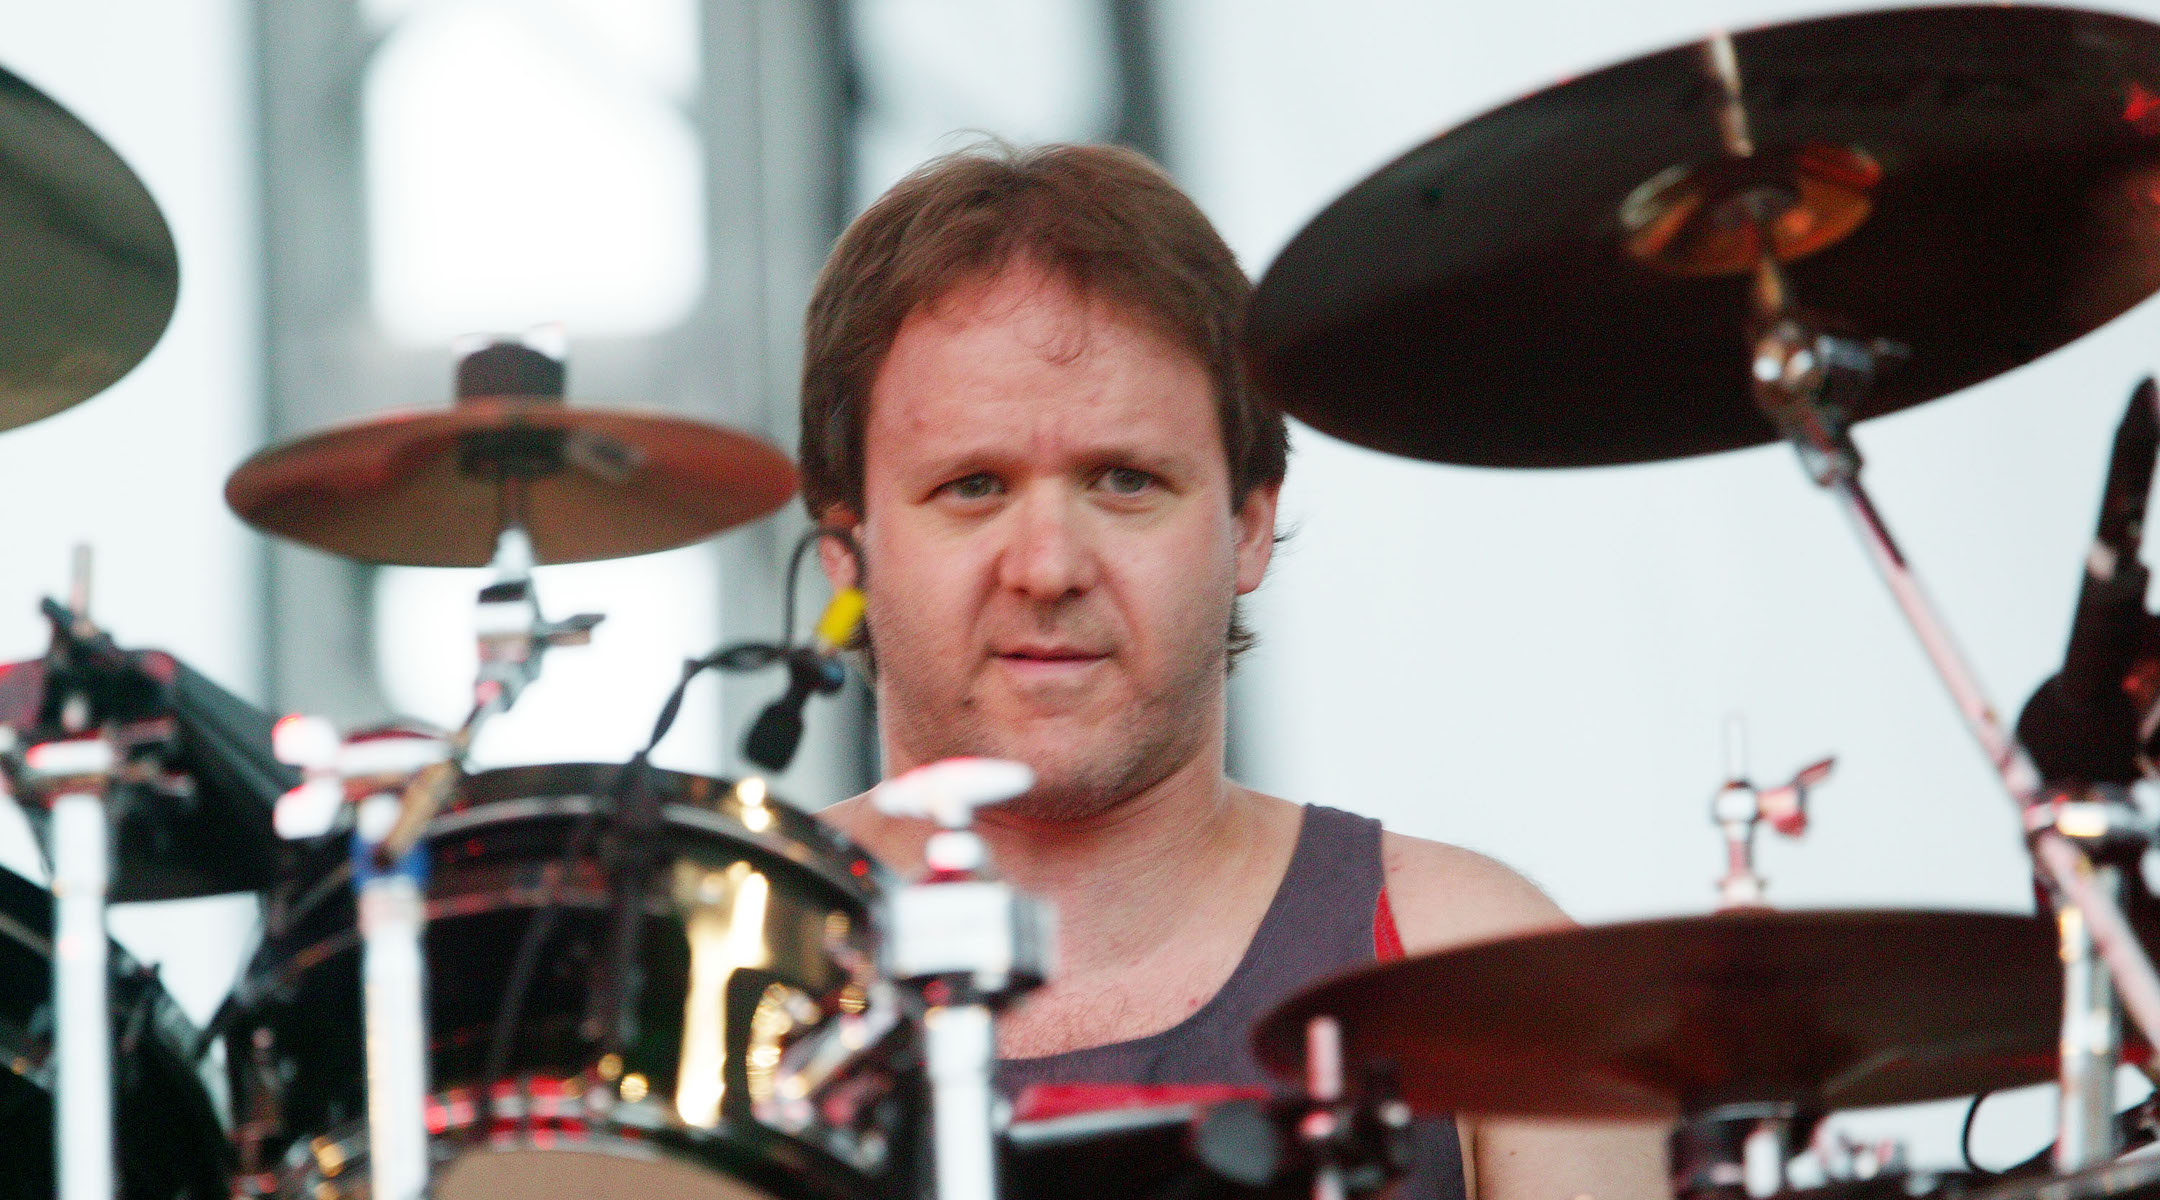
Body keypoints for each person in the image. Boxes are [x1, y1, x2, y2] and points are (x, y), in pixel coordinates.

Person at [799, 141, 1666, 1200]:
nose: (1049, 568)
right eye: (973, 486)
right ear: (846, 550)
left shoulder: (1482, 968)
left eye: (1125, 481)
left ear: (1249, 526)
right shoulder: (707, 975)